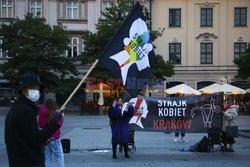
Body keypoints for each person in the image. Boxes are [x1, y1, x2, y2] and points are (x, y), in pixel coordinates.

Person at [4, 74, 63, 167]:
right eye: (32, 87)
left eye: (37, 88)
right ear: (23, 90)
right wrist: (54, 122)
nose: (35, 91)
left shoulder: (20, 107)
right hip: (27, 161)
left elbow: (28, 137)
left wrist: (45, 141)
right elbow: (36, 139)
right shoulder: (24, 110)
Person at [39, 98, 64, 167]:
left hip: (46, 138)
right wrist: (62, 118)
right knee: (59, 157)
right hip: (55, 138)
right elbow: (59, 125)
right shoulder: (55, 114)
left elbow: (41, 125)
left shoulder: (42, 113)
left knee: (47, 157)